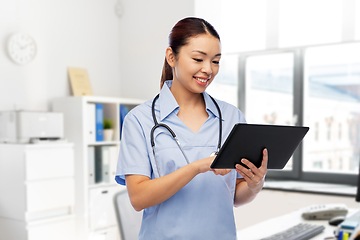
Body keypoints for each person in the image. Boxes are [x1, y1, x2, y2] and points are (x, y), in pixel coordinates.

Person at [115, 17, 268, 240]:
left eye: (215, 61)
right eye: (198, 59)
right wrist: (197, 167)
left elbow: (234, 195)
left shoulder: (232, 117)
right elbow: (138, 198)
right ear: (171, 57)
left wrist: (255, 184)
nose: (208, 69)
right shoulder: (140, 120)